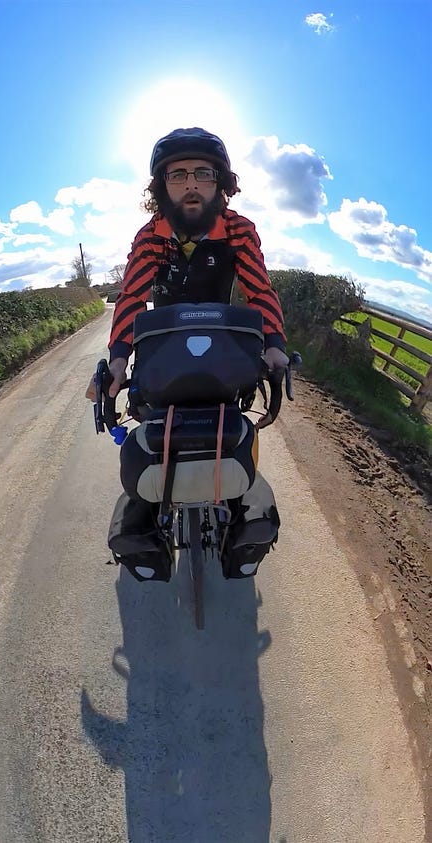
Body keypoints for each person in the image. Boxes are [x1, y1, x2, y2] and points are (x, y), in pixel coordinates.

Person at [87, 127, 287, 581]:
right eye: (178, 176)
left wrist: (274, 347)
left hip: (222, 347)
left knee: (232, 411)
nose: (191, 184)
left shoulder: (238, 229)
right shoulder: (151, 234)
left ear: (221, 183)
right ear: (161, 186)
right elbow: (132, 298)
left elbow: (259, 289)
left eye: (203, 173)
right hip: (166, 349)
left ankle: (237, 507)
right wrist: (118, 361)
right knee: (153, 411)